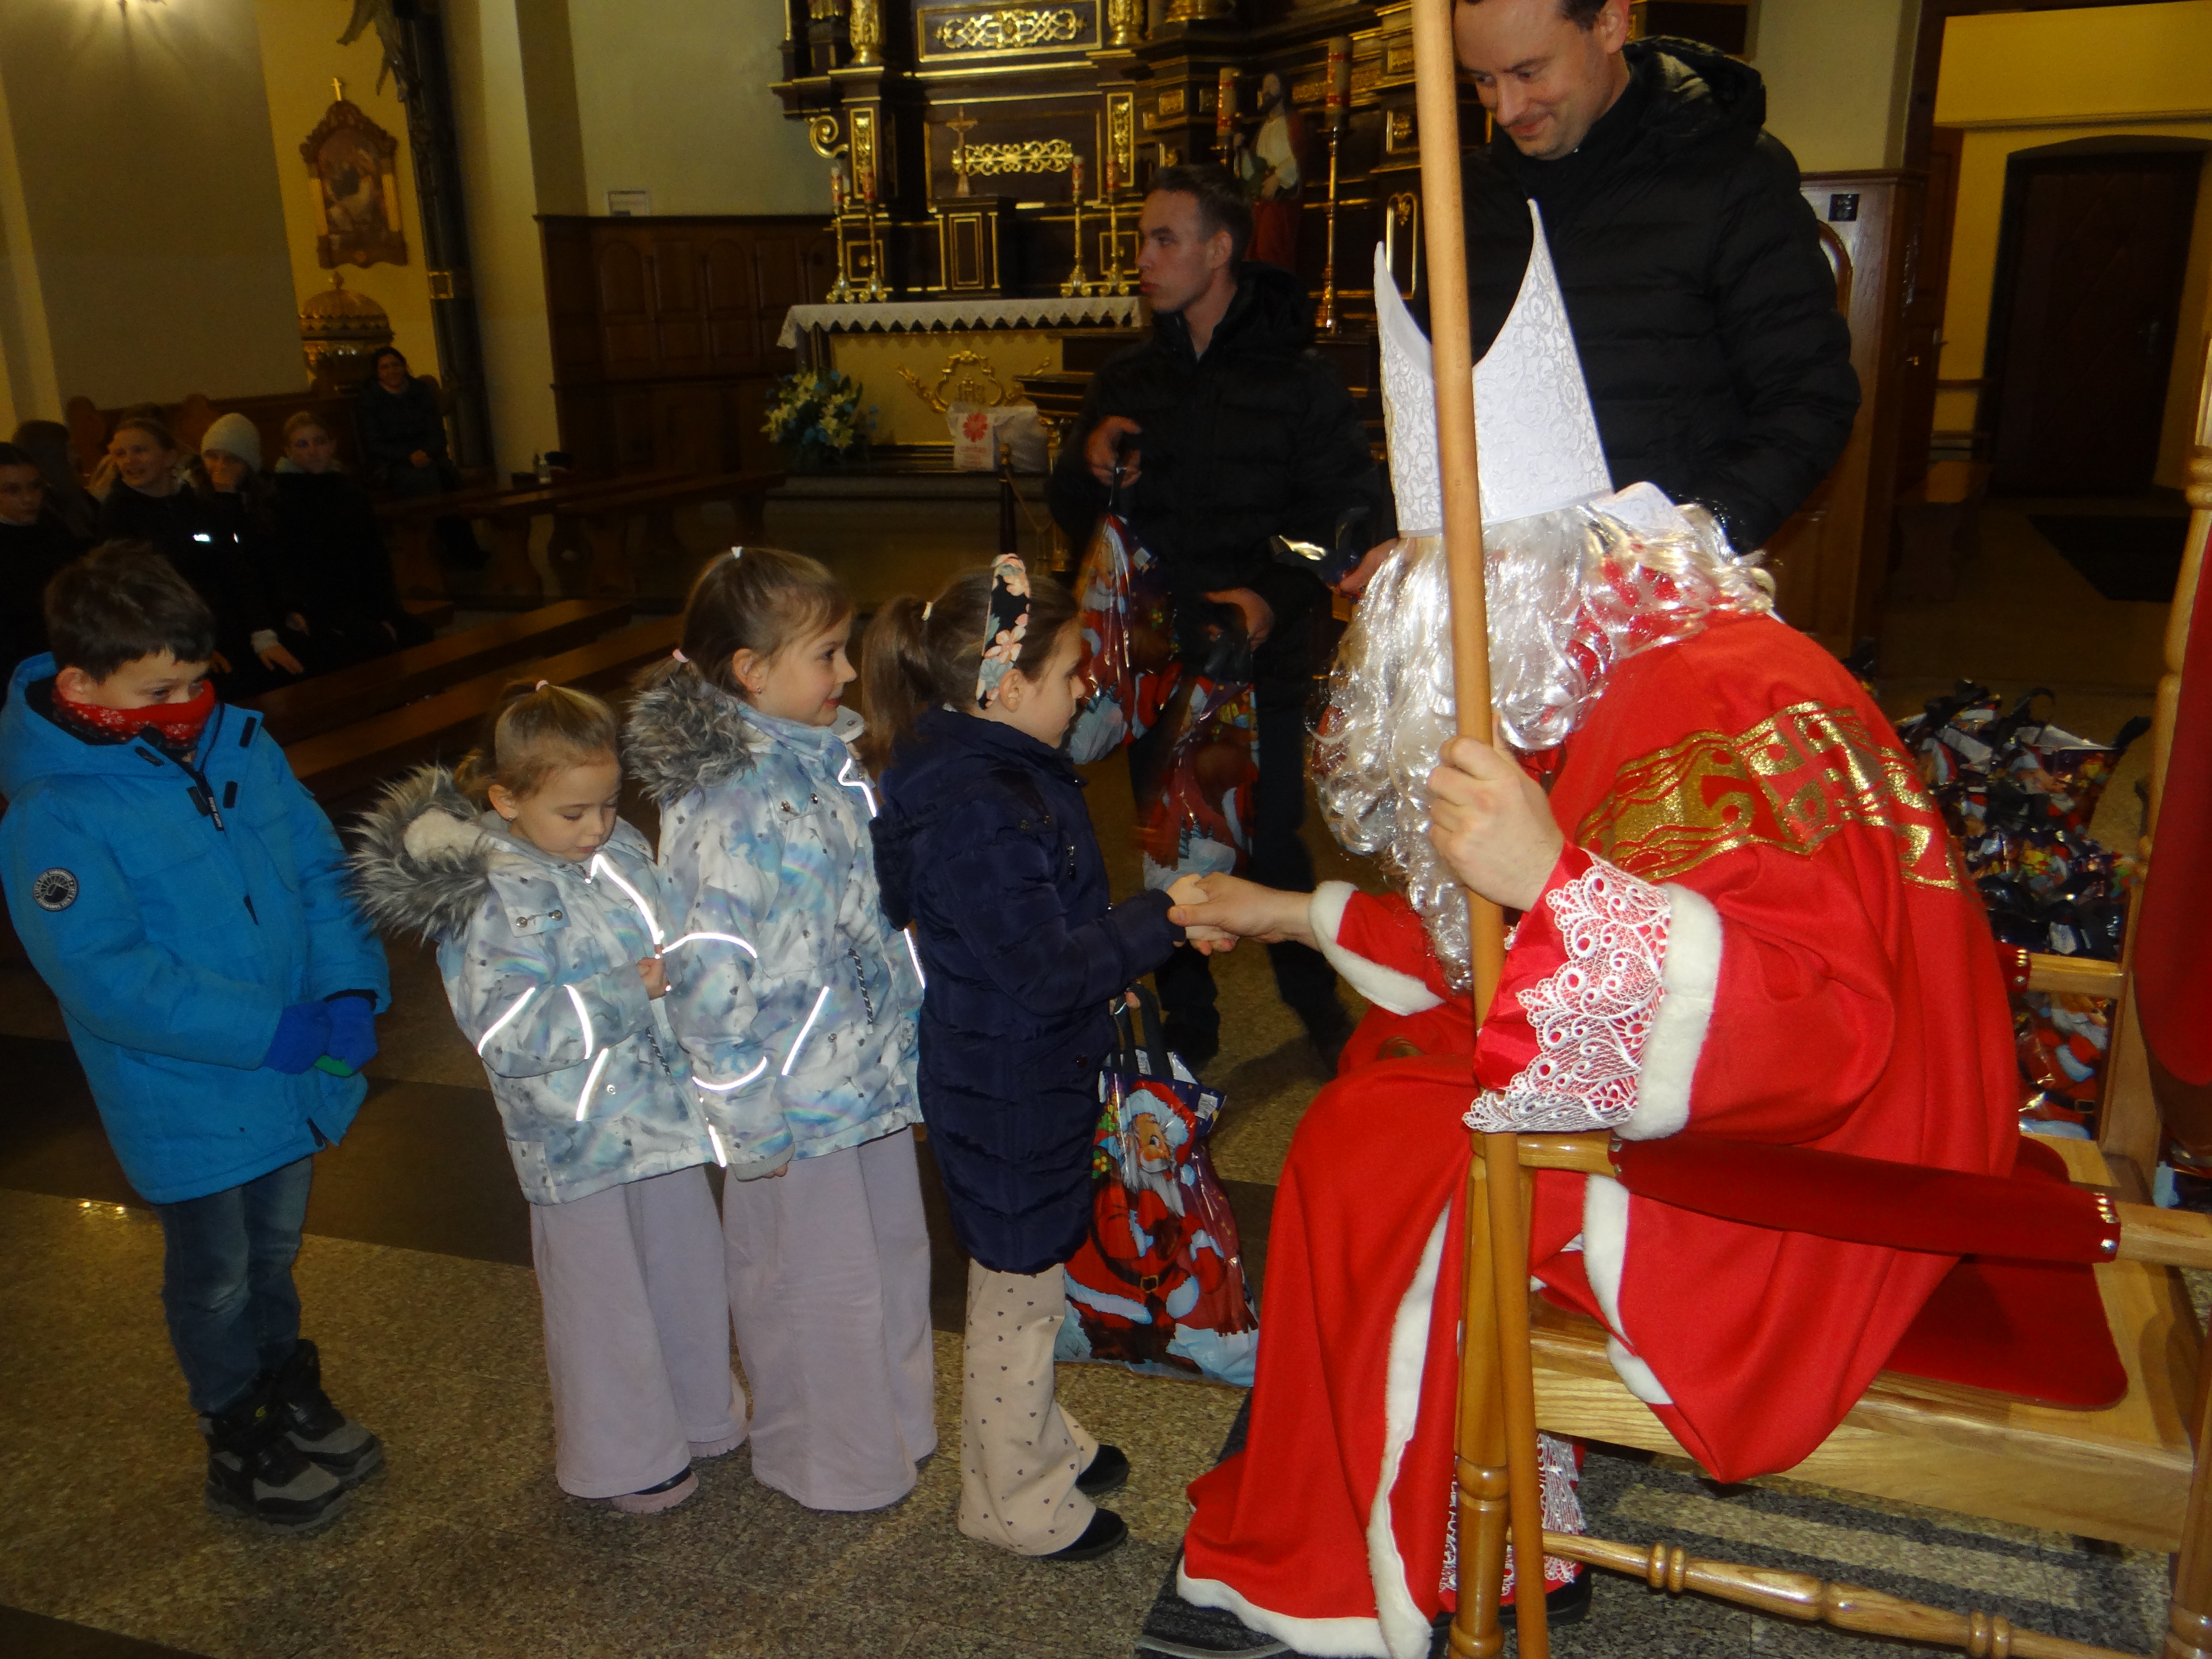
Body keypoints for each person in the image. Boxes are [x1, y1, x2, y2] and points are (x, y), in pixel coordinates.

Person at [1149, 186, 2017, 1659]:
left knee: (1379, 1155)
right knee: (1391, 1090)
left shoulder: (1711, 702)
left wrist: (1551, 874)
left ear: (1514, 594)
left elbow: (1810, 1027)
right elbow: (1502, 956)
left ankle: (1371, 1566)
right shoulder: (1638, 659)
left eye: (1416, 604)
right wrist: (1293, 909)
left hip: (1833, 1175)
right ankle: (1444, 1502)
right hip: (1813, 1104)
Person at [0, 544, 389, 1534]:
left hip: (290, 1071)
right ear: (81, 685)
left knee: (276, 1252)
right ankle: (237, 1428)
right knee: (216, 1276)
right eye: (157, 691)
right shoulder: (55, 813)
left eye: (194, 682)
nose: (186, 706)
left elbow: (319, 868)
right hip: (183, 1090)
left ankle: (286, 1384)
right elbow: (107, 974)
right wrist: (270, 1029)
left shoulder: (241, 745)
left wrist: (347, 986)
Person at [861, 556, 1215, 1563]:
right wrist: (1158, 919)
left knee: (1030, 1277)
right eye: (1070, 674)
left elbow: (1031, 934)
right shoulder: (981, 804)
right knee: (1017, 1295)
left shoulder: (974, 768)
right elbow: (1044, 970)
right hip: (1009, 1084)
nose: (1087, 690)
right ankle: (1010, 1497)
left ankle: (1034, 1438)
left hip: (1014, 1068)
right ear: (1007, 688)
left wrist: (1128, 945)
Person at [351, 681, 742, 1514]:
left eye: (609, 803)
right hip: (578, 1137)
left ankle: (701, 1414)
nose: (597, 826)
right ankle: (626, 1457)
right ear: (506, 798)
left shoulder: (618, 850)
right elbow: (510, 1033)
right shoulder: (489, 896)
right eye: (572, 812)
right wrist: (629, 990)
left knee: (686, 1272)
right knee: (604, 1304)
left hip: (666, 1116)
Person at [1047, 162, 1396, 1069]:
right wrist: (1087, 464)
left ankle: (1318, 1008)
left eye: (1164, 240)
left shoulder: (1297, 380)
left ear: (1220, 249)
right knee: (1168, 843)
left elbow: (1347, 513)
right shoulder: (1127, 378)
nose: (1143, 258)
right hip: (1154, 653)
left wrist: (1273, 594)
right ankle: (1190, 1022)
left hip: (1248, 654)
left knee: (1267, 837)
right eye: (1142, 240)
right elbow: (1074, 517)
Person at [1339, 0, 1855, 601]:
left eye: (1529, 72)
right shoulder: (1467, 195)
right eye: (1483, 79)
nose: (1507, 108)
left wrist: (1680, 545)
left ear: (1610, 23)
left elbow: (1809, 401)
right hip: (1503, 599)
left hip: (1665, 601)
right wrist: (1412, 539)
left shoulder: (1733, 177)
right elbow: (1441, 401)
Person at [624, 547, 932, 1514]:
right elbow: (708, 976)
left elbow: (865, 921)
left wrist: (906, 1039)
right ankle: (827, 1459)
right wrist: (746, 1117)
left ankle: (894, 1429)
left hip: (860, 1071)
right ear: (751, 671)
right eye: (827, 654)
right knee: (809, 1288)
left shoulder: (820, 758)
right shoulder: (727, 800)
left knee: (888, 1264)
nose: (847, 673)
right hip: (790, 1103)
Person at [96, 417, 300, 692]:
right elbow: (136, 595)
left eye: (140, 450)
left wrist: (263, 636)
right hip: (171, 643)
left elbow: (233, 567)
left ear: (170, 457)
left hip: (224, 628)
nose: (129, 461)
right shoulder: (118, 514)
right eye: (120, 454)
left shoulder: (195, 503)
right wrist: (189, 648)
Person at [272, 412, 427, 672]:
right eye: (302, 444)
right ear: (288, 451)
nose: (313, 451)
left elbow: (375, 556)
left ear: (333, 445)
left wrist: (384, 610)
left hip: (362, 597)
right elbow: (293, 567)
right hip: (321, 605)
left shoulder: (350, 491)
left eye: (320, 441)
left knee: (417, 633)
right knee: (376, 642)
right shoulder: (282, 498)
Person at [0, 441, 84, 695]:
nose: (28, 498)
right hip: (14, 667)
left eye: (35, 487)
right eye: (12, 490)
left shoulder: (53, 526)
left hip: (62, 653)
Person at [1241, 71, 1309, 271]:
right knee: (1253, 248)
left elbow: (1298, 155)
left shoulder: (1293, 122)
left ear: (1283, 90)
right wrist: (1239, 150)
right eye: (1264, 87)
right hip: (1262, 198)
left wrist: (1278, 177)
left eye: (1273, 85)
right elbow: (1252, 168)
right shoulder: (1264, 128)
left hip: (1281, 199)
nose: (1267, 91)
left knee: (1270, 247)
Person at [8, 420, 99, 541]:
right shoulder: (38, 505)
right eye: (69, 449)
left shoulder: (72, 493)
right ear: (51, 455)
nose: (76, 456)